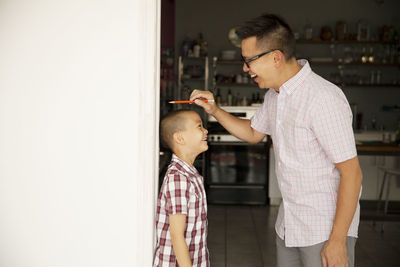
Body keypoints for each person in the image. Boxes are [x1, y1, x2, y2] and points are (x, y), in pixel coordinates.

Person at [190, 13, 362, 267]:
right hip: (289, 226)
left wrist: (337, 240)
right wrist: (214, 110)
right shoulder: (275, 96)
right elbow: (253, 133)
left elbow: (353, 174)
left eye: (249, 61)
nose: (245, 68)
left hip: (325, 231)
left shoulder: (323, 98)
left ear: (276, 57)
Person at [153, 110, 210, 267]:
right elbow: (177, 235)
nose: (205, 131)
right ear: (179, 138)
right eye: (199, 126)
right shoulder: (178, 178)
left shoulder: (189, 174)